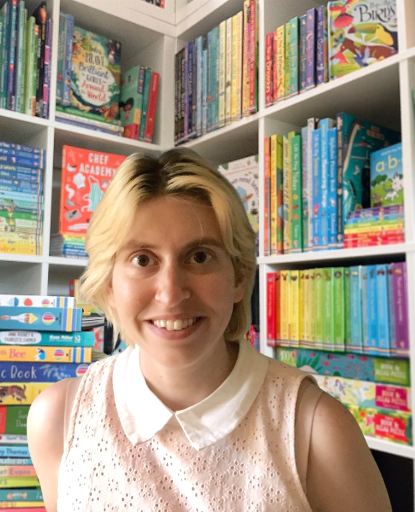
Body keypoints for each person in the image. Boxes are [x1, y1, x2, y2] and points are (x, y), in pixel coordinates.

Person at [28, 148, 392, 511]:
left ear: (239, 277)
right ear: (109, 283)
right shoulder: (57, 421)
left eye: (200, 256)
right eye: (143, 260)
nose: (171, 294)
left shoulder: (317, 431)